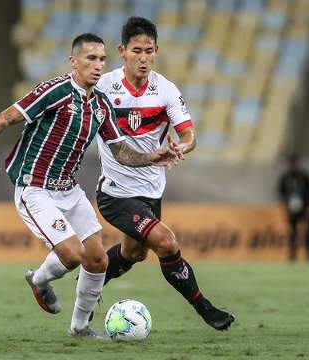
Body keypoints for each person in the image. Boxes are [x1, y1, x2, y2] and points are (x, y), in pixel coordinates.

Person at [0, 33, 181, 339]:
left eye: (102, 59)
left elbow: (121, 152)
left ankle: (79, 328)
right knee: (71, 254)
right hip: (34, 187)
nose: (98, 65)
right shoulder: (55, 91)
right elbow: (6, 118)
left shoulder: (101, 104)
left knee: (98, 258)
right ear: (74, 62)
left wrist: (153, 156)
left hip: (68, 188)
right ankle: (39, 281)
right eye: (91, 58)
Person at [93, 17, 235, 331]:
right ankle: (206, 309)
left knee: (133, 253)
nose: (143, 58)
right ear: (122, 51)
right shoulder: (103, 87)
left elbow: (190, 135)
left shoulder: (165, 89)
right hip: (116, 193)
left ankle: (89, 283)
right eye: (136, 51)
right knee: (166, 243)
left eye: (149, 51)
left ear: (156, 51)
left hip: (151, 191)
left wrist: (182, 146)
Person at [276, 154, 309, 261]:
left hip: (305, 208)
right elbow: (280, 192)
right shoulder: (285, 177)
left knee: (308, 231)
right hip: (292, 209)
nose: (293, 166)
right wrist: (286, 204)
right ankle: (292, 254)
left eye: (295, 163)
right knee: (293, 232)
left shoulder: (305, 177)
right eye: (291, 163)